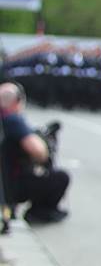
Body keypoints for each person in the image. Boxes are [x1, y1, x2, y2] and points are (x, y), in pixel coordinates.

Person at [0, 82, 69, 223]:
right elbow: (38, 151)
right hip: (9, 186)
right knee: (61, 177)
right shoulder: (12, 120)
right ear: (16, 101)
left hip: (5, 184)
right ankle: (39, 212)